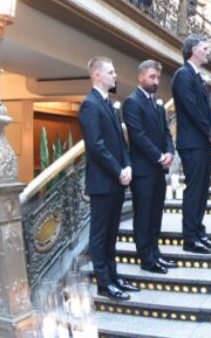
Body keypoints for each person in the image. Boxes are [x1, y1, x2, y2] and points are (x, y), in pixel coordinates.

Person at [78, 56, 139, 300]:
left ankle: (114, 277)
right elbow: (95, 145)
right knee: (100, 235)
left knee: (112, 234)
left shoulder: (110, 103)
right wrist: (117, 170)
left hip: (116, 180)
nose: (115, 76)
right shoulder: (89, 105)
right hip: (103, 183)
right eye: (111, 72)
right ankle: (104, 283)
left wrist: (127, 166)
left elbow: (121, 142)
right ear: (97, 75)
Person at [171, 35, 211, 254]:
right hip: (192, 143)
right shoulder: (182, 75)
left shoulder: (197, 76)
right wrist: (208, 131)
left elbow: (207, 108)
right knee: (194, 190)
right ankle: (190, 238)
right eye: (205, 48)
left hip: (202, 140)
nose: (208, 51)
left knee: (202, 190)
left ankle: (199, 232)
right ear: (193, 50)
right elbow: (191, 109)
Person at [123, 60, 176, 274]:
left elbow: (165, 132)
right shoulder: (131, 102)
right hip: (143, 171)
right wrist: (158, 156)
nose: (156, 81)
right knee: (144, 215)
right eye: (152, 77)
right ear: (140, 77)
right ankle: (146, 258)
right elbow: (138, 136)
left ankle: (155, 253)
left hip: (158, 170)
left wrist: (170, 152)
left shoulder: (158, 104)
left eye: (157, 78)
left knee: (156, 215)